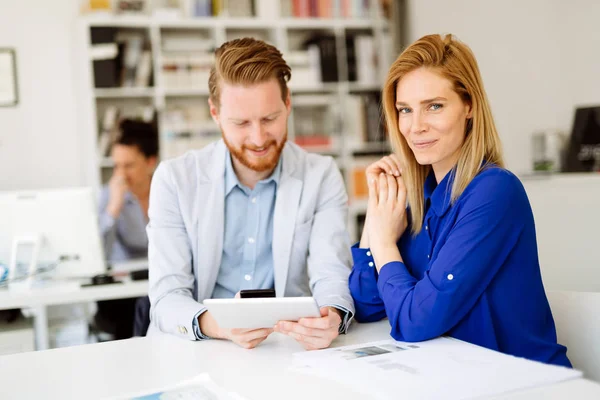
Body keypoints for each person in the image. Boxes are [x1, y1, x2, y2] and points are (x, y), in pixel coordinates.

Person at [348, 34, 571, 367]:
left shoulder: (494, 192)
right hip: (457, 378)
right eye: (405, 110)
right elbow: (367, 305)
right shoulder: (419, 193)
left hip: (523, 384)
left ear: (469, 106)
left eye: (434, 106)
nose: (416, 127)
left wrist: (383, 243)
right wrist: (377, 214)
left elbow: (414, 322)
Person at [147, 37, 354, 350]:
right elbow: (166, 295)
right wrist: (218, 325)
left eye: (269, 119)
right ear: (215, 113)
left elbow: (331, 274)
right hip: (197, 345)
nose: (258, 138)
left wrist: (332, 315)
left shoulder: (321, 176)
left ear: (288, 104)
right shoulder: (174, 180)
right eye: (241, 122)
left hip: (286, 347)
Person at [96, 119, 158, 339]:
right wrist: (114, 207)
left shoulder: (166, 192)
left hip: (159, 281)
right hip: (123, 295)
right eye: (116, 166)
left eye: (128, 165)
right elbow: (98, 255)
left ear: (150, 162)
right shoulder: (109, 195)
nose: (120, 174)